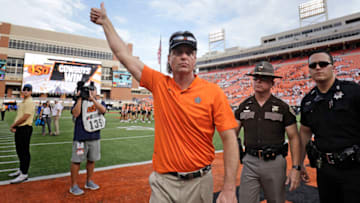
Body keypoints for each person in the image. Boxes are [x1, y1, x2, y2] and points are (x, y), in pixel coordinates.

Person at [90, 3, 239, 203]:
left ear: (195, 58)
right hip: (163, 183)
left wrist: (229, 189)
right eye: (178, 52)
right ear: (169, 59)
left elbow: (230, 139)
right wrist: (105, 23)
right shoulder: (159, 83)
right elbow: (125, 56)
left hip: (200, 181)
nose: (184, 56)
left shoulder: (213, 92)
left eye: (189, 52)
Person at [234, 61, 301, 203]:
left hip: (274, 162)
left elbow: (294, 138)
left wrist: (296, 167)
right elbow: (232, 134)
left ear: (272, 83)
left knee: (276, 200)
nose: (258, 81)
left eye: (263, 78)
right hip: (249, 162)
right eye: (256, 77)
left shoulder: (282, 107)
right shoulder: (244, 106)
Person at [299, 50, 360, 203]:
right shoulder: (308, 100)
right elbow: (305, 133)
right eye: (313, 65)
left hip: (354, 168)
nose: (318, 67)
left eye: (323, 64)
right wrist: (299, 163)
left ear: (333, 67)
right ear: (310, 70)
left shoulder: (353, 91)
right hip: (325, 169)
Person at [69, 84, 106, 196]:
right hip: (81, 137)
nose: (90, 92)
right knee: (76, 161)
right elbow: (76, 113)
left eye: (92, 90)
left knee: (92, 160)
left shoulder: (99, 102)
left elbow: (103, 110)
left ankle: (89, 181)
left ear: (96, 92)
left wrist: (93, 100)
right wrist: (80, 98)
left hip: (94, 136)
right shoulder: (79, 101)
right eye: (88, 90)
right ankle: (74, 185)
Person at [8, 84, 35, 184]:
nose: (26, 91)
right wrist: (16, 127)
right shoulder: (23, 101)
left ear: (31, 92)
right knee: (19, 150)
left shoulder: (30, 102)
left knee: (24, 151)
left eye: (28, 90)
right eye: (24, 90)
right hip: (20, 128)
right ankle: (21, 169)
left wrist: (13, 125)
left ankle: (24, 174)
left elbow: (25, 117)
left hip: (25, 128)